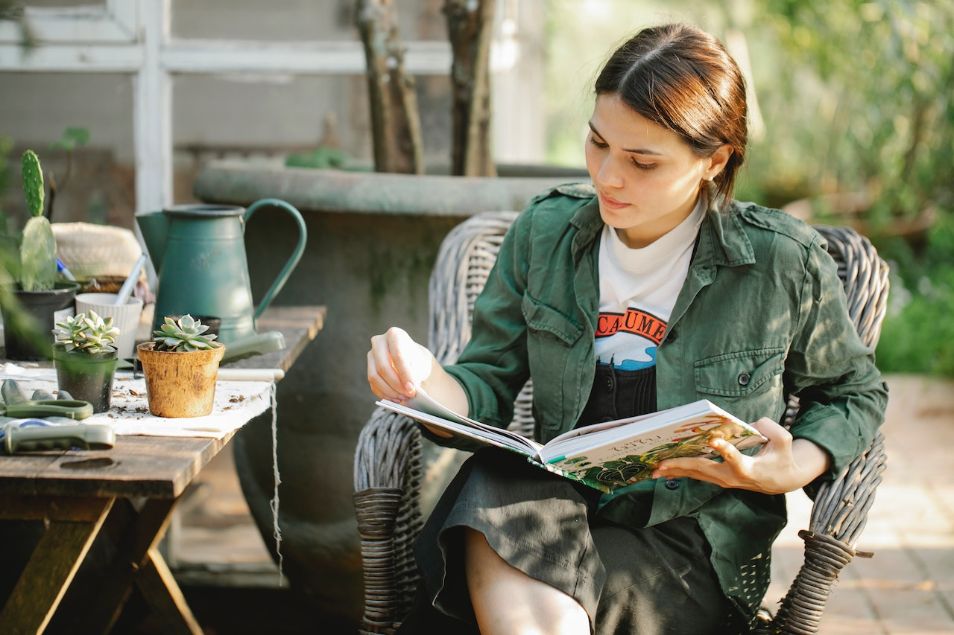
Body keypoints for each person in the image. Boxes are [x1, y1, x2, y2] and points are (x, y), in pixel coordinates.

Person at [366, 22, 887, 635]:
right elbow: (484, 382)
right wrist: (422, 381)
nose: (609, 177)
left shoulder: (780, 262)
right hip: (557, 511)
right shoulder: (546, 233)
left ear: (714, 162)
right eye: (597, 144)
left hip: (692, 545)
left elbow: (855, 393)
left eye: (642, 161)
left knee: (497, 580)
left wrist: (794, 465)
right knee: (495, 483)